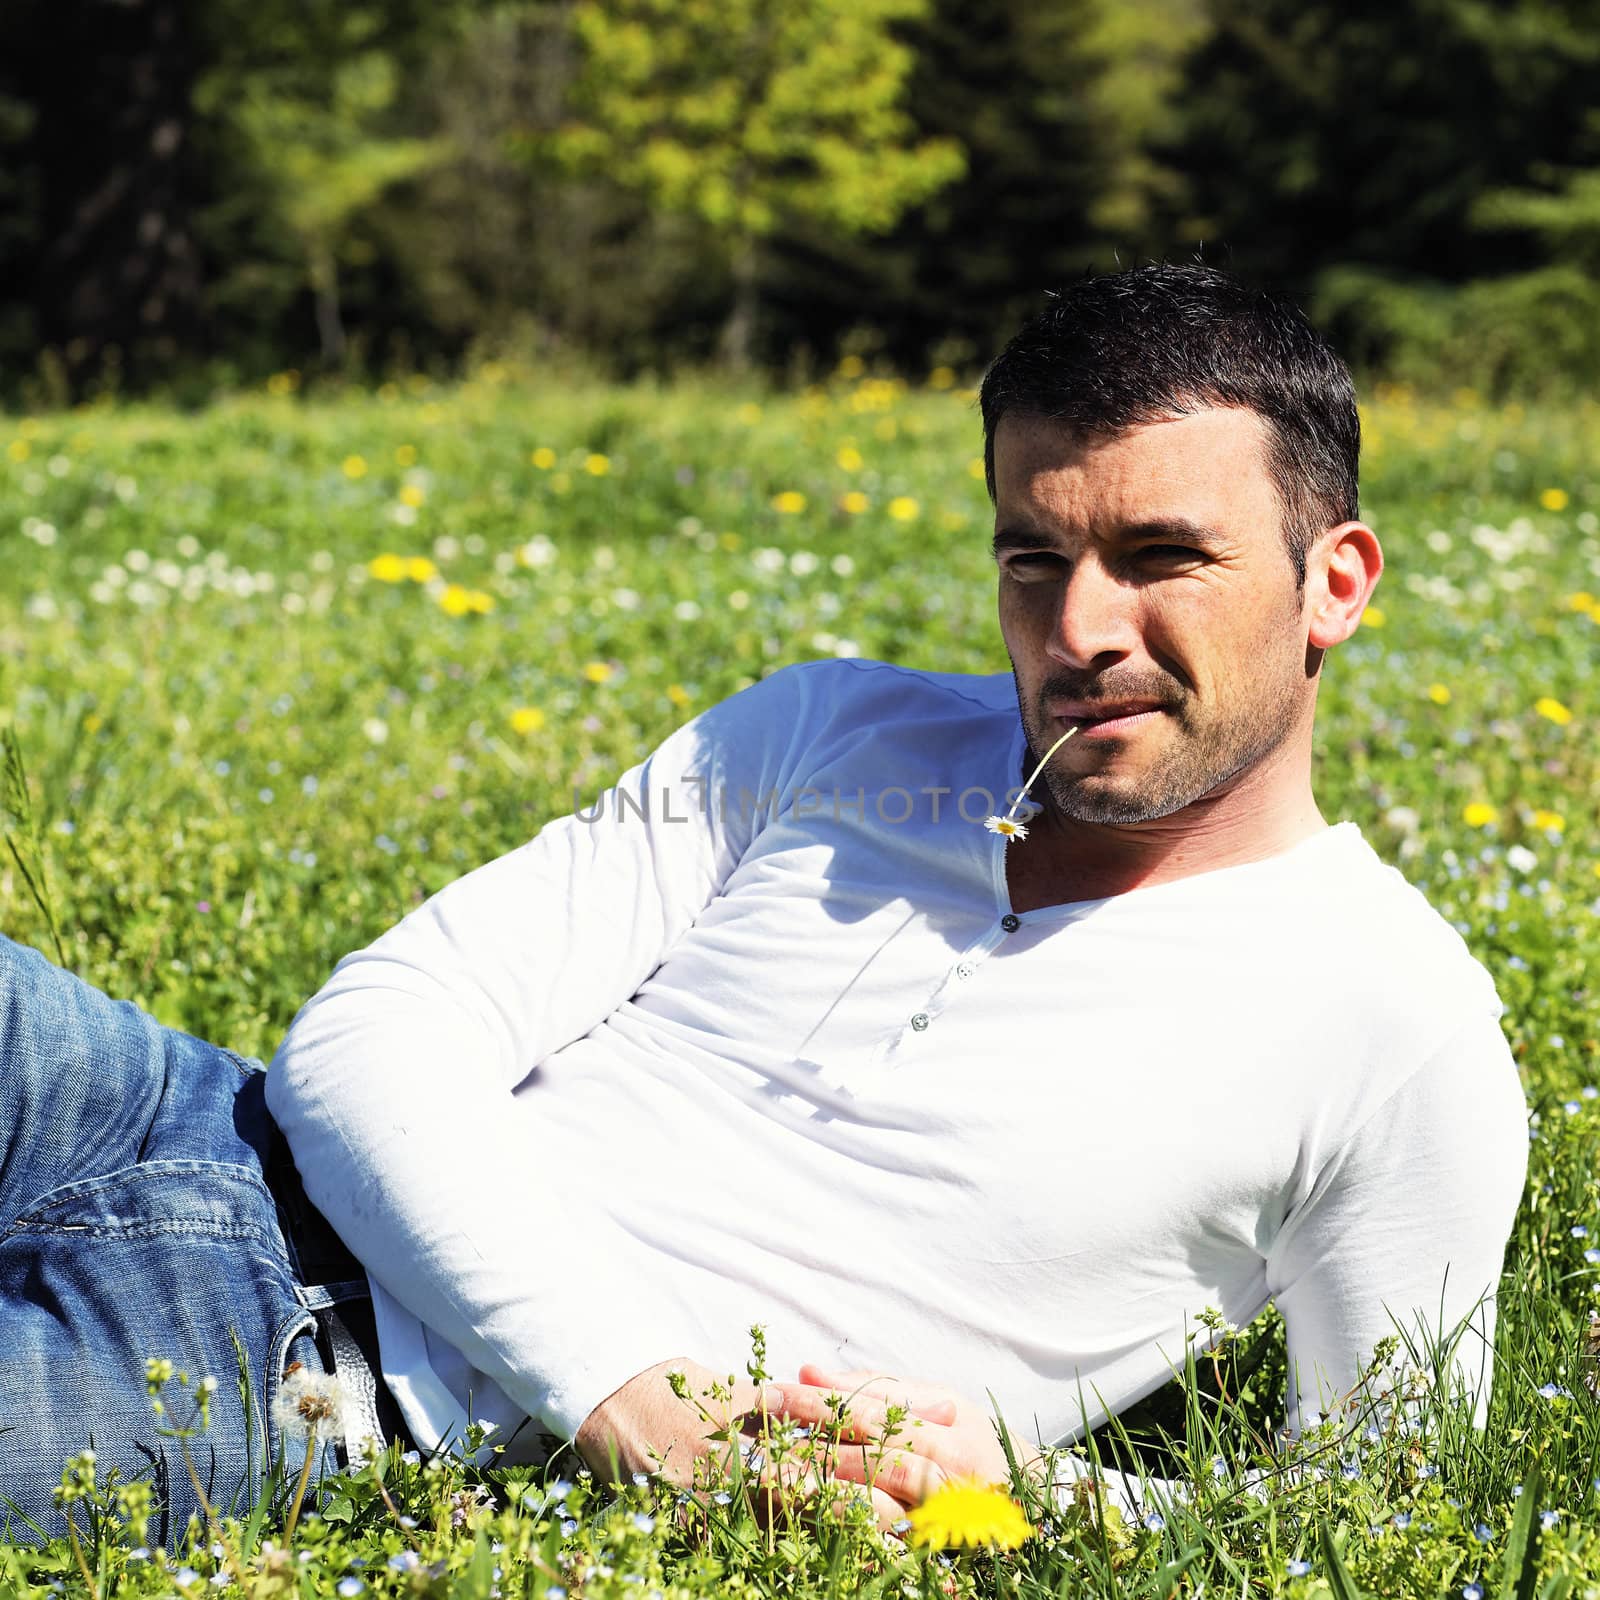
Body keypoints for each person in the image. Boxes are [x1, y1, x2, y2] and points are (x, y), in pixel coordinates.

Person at [0, 264, 1528, 1547]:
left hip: (297, 1383)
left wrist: (1028, 1501)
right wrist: (627, 1392)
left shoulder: (1400, 1034)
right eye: (1032, 556)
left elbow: (1382, 1506)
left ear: (1335, 580)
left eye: (1160, 560)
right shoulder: (824, 731)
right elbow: (372, 1036)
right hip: (190, 1116)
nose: (1076, 630)